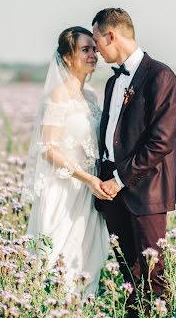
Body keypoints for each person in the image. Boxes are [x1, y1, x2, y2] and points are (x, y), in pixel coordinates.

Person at [92, 8, 176, 318]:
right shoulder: (113, 82)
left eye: (97, 39)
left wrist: (119, 179)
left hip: (145, 193)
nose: (96, 49)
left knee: (152, 274)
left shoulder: (160, 76)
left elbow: (161, 142)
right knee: (127, 275)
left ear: (111, 35)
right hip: (112, 194)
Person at [22, 26, 110, 297]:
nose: (93, 54)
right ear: (67, 57)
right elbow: (47, 149)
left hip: (90, 193)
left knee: (88, 260)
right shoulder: (58, 95)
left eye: (94, 48)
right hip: (65, 189)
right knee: (61, 261)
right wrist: (87, 178)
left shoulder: (92, 95)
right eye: (85, 50)